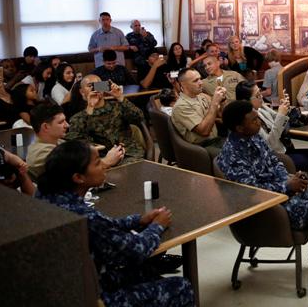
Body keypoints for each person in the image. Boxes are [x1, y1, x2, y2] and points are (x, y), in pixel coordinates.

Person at [216, 101, 308, 303]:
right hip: (270, 208)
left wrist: (291, 178)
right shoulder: (231, 155)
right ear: (239, 127)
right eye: (254, 120)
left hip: (284, 192)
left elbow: (274, 162)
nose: (259, 122)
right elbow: (251, 193)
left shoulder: (253, 137)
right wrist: (286, 187)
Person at [35, 140, 194, 307]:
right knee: (182, 287)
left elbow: (104, 227)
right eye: (97, 163)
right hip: (93, 297)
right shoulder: (82, 216)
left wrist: (137, 220)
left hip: (66, 287)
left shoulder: (47, 196)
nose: (104, 165)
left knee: (146, 271)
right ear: (78, 177)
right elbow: (136, 250)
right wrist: (157, 226)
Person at [236, 81, 308, 179]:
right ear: (246, 101)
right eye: (257, 95)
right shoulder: (251, 122)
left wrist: (284, 108)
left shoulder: (260, 107)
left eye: (260, 93)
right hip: (275, 157)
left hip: (283, 147)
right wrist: (281, 115)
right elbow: (270, 145)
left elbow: (276, 117)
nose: (261, 97)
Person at [27, 102, 123, 181]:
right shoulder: (40, 154)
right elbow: (80, 172)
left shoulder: (59, 142)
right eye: (61, 122)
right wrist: (107, 161)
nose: (67, 125)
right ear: (46, 127)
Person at [65, 75, 145, 163]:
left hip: (130, 153)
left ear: (103, 87)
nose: (94, 89)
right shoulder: (78, 117)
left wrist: (120, 97)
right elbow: (76, 142)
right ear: (82, 92)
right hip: (102, 159)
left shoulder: (117, 106)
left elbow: (139, 118)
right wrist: (90, 108)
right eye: (90, 86)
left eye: (98, 85)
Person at [171, 68, 227, 159]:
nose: (201, 83)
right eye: (195, 81)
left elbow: (221, 115)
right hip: (201, 148)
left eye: (200, 79)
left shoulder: (201, 96)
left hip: (215, 140)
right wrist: (214, 103)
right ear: (183, 84)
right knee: (234, 156)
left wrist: (222, 100)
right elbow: (204, 132)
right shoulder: (181, 106)